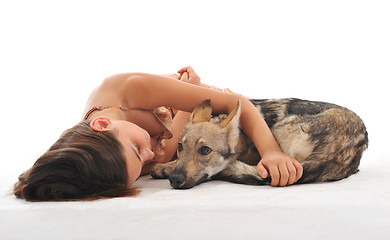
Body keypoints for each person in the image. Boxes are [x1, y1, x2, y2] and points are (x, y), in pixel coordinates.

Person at [14, 67, 303, 201]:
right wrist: (185, 113)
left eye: (138, 149)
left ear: (102, 124)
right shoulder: (115, 161)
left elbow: (236, 104)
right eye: (142, 164)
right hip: (194, 117)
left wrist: (272, 152)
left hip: (206, 105)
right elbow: (170, 147)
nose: (152, 156)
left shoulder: (129, 89)